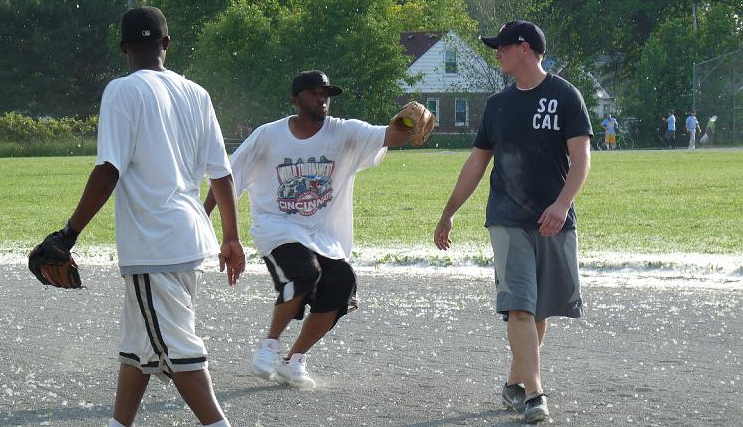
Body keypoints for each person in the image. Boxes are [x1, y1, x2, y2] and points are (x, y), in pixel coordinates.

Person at [33, 7, 245, 427]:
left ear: (123, 48)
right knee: (140, 348)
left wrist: (69, 233)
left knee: (178, 351)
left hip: (154, 243)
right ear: (166, 44)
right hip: (187, 239)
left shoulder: (122, 90)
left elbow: (108, 169)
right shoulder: (196, 93)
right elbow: (221, 172)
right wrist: (232, 237)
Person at [206, 70, 413, 390]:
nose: (322, 99)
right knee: (304, 272)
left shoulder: (344, 132)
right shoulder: (269, 136)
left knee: (342, 283)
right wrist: (205, 218)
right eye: (314, 93)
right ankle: (269, 346)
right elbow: (227, 177)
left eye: (326, 94)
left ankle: (294, 361)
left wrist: (409, 122)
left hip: (324, 235)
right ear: (295, 99)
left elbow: (391, 135)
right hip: (277, 227)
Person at [434, 21, 592, 425]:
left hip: (553, 220)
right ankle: (536, 394)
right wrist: (449, 211)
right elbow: (476, 163)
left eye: (501, 46)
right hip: (506, 218)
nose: (496, 53)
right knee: (519, 305)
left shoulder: (565, 95)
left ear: (524, 48)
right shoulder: (497, 105)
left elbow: (582, 160)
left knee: (539, 311)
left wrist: (561, 205)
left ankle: (514, 384)